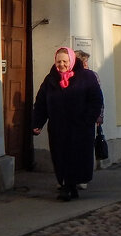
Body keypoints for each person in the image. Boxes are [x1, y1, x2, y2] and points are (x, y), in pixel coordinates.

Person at [32, 46, 104, 201]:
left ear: (71, 61)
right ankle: (67, 185)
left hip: (81, 127)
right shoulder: (50, 79)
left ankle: (70, 186)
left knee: (76, 157)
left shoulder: (87, 77)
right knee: (60, 157)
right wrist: (37, 122)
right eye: (59, 61)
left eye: (65, 61)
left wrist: (88, 119)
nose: (62, 64)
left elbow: (96, 100)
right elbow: (41, 103)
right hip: (59, 127)